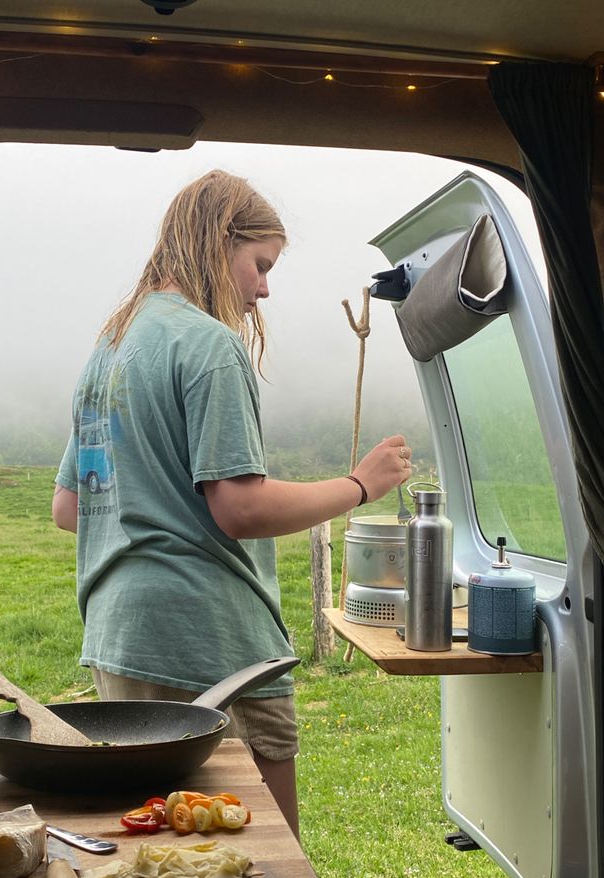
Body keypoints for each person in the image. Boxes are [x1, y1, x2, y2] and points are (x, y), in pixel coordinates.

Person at [52, 167, 411, 842]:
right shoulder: (210, 347)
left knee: (164, 859)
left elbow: (71, 506)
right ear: (221, 241)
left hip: (119, 637)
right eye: (260, 264)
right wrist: (361, 485)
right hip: (211, 645)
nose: (263, 289)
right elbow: (240, 509)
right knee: (264, 871)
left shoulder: (109, 348)